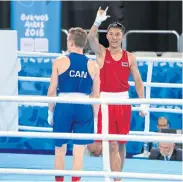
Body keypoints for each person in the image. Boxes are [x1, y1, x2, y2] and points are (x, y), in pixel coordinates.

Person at [87, 7, 148, 181]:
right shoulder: (101, 52)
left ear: (122, 36)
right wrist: (97, 21)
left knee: (121, 144)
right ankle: (117, 179)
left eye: (117, 34)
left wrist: (142, 102)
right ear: (106, 36)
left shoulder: (130, 57)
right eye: (111, 34)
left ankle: (117, 177)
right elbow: (90, 38)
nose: (114, 37)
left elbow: (138, 81)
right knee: (112, 144)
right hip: (105, 102)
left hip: (123, 102)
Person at [47, 27, 100, 182]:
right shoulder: (93, 65)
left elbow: (51, 91)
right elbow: (96, 95)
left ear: (70, 42)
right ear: (83, 44)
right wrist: (95, 118)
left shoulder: (59, 61)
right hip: (84, 107)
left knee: (60, 149)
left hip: (64, 106)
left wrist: (50, 111)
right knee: (78, 151)